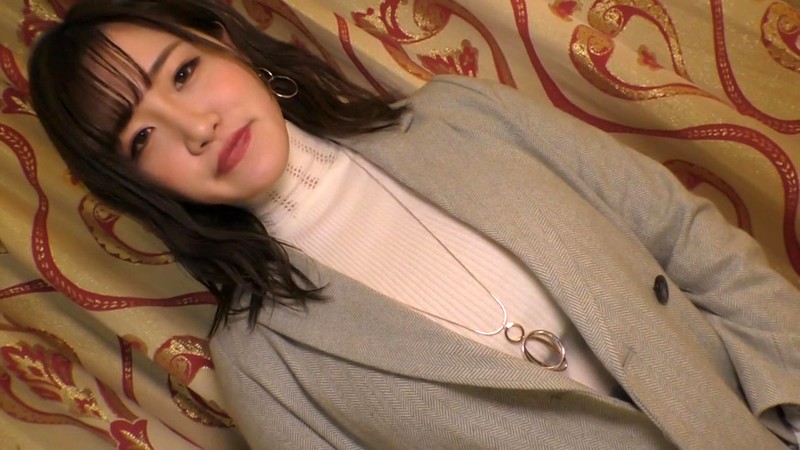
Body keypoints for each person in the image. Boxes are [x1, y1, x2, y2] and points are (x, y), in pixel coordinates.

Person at [27, 0, 800, 448]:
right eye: (143, 136)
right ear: (139, 185)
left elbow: (688, 239)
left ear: (222, 42)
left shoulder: (466, 114)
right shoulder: (263, 362)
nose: (194, 125)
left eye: (184, 72)